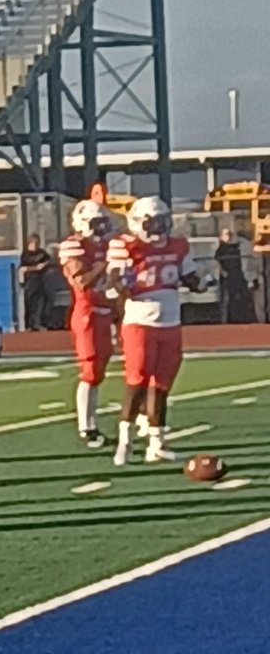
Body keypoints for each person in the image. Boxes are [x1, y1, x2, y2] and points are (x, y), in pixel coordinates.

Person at [107, 197, 203, 466]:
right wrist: (122, 287)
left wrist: (200, 283)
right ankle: (125, 442)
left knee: (161, 385)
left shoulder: (178, 245)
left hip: (170, 322)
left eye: (162, 221)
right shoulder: (126, 245)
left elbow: (189, 276)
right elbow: (114, 281)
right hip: (140, 322)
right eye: (153, 222)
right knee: (136, 382)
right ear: (138, 223)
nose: (159, 227)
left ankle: (156, 444)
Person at [59, 200, 115, 448]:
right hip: (87, 312)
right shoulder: (75, 246)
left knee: (100, 370)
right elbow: (81, 282)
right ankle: (86, 427)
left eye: (103, 222)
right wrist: (104, 266)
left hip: (107, 310)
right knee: (90, 371)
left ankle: (92, 423)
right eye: (96, 222)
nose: (101, 227)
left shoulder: (107, 245)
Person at [215, 228, 255, 324]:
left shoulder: (236, 247)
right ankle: (226, 320)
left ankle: (241, 318)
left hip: (238, 276)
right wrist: (222, 271)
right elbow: (217, 262)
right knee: (226, 299)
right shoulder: (220, 250)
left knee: (241, 298)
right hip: (226, 278)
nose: (225, 237)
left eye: (227, 234)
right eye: (224, 235)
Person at [19, 234, 53, 329]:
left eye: (38, 243)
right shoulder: (26, 255)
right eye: (34, 243)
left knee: (41, 301)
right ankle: (29, 324)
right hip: (30, 281)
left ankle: (38, 322)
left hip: (41, 280)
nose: (36, 245)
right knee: (30, 303)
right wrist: (36, 268)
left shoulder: (42, 253)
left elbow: (49, 261)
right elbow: (23, 269)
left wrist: (45, 264)